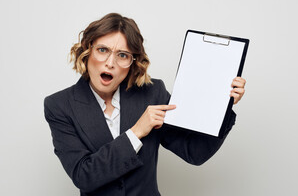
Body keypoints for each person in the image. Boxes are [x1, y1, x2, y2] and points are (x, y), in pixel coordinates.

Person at [44, 13, 246, 196]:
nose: (110, 63)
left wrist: (223, 104)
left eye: (122, 55)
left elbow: (194, 152)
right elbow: (84, 176)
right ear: (87, 52)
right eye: (103, 50)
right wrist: (136, 132)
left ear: (133, 62)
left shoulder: (152, 93)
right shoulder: (59, 106)